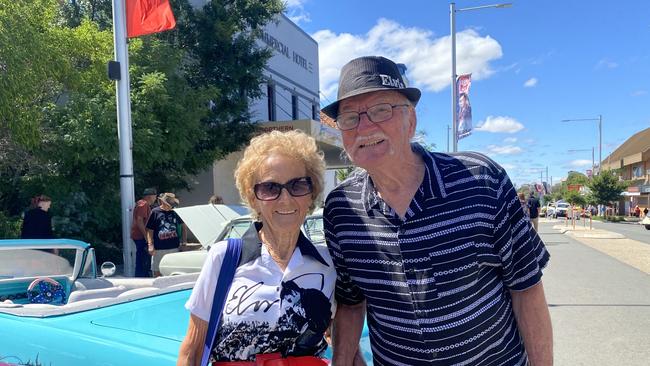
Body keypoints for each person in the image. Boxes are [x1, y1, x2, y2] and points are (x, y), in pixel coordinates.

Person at [321, 56, 552, 365]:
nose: (364, 127)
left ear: (411, 121)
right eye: (350, 118)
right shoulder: (341, 209)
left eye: (380, 110)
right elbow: (351, 304)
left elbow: (526, 289)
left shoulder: (481, 180)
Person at [177, 130, 336, 365]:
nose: (285, 199)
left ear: (311, 193)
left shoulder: (329, 264)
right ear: (253, 198)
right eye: (270, 188)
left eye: (298, 185)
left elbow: (341, 344)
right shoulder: (225, 258)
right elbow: (192, 349)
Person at [146, 192, 187, 277]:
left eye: (171, 205)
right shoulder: (155, 212)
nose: (170, 206)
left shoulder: (175, 212)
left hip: (174, 248)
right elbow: (149, 230)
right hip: (158, 249)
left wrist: (184, 243)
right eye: (168, 204)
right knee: (157, 273)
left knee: (173, 273)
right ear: (163, 202)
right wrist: (150, 245)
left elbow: (184, 227)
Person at [131, 188, 157, 277]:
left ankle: (142, 275)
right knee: (143, 259)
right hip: (141, 236)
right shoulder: (143, 204)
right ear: (150, 196)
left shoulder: (141, 203)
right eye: (155, 196)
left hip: (139, 236)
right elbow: (139, 220)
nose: (155, 198)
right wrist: (146, 236)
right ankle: (142, 277)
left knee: (143, 258)